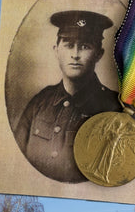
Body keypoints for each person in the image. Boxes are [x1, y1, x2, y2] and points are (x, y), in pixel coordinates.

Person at [14, 10, 122, 183]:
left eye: (85, 46)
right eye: (68, 44)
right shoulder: (39, 102)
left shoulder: (114, 108)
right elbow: (17, 159)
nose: (75, 54)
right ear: (56, 50)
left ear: (99, 54)